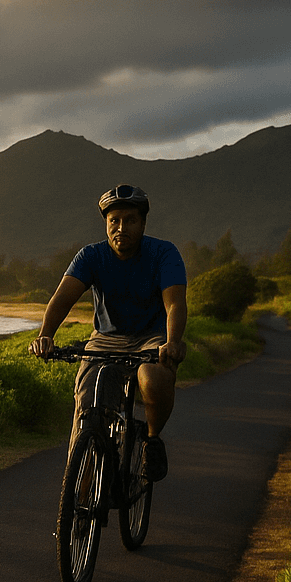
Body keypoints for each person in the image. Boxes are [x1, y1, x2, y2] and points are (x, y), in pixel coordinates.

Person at [28, 184, 188, 480]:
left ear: (143, 223)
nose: (121, 227)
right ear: (106, 224)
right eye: (114, 221)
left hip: (152, 337)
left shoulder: (164, 253)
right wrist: (45, 334)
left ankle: (152, 440)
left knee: (152, 377)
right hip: (105, 338)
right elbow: (62, 299)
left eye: (130, 220)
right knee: (87, 405)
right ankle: (78, 496)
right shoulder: (91, 256)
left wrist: (173, 342)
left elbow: (175, 304)